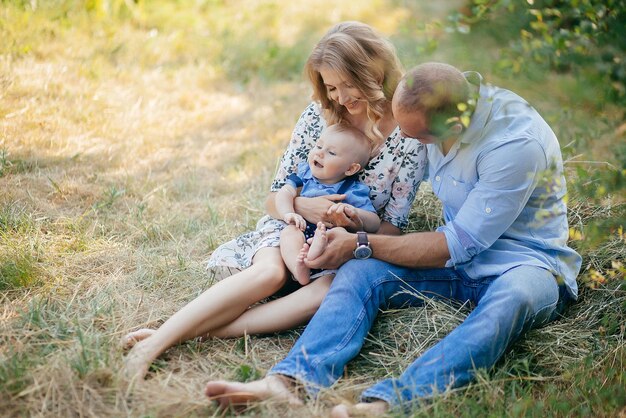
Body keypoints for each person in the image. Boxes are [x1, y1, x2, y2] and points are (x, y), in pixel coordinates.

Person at [203, 62, 583, 417]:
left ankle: (391, 402)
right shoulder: (436, 100)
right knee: (358, 273)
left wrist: (360, 243)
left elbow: (454, 244)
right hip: (458, 265)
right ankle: (290, 380)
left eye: (417, 136)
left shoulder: (515, 145)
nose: (403, 138)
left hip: (527, 263)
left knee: (512, 298)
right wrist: (338, 216)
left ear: (453, 125)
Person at [121, 21, 427, 380]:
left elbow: (393, 227)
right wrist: (300, 208)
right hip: (290, 227)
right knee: (269, 272)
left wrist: (352, 238)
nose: (341, 98)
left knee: (325, 292)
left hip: (342, 247)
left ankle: (181, 335)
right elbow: (275, 196)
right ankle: (154, 345)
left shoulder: (408, 135)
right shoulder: (319, 115)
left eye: (348, 84)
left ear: (374, 70)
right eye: (331, 87)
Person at [277, 123, 380, 285]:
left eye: (331, 152)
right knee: (289, 233)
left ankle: (315, 253)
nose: (319, 153)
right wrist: (288, 213)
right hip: (301, 229)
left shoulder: (352, 190)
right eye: (319, 145)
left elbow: (374, 222)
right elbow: (284, 193)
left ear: (351, 168)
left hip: (330, 238)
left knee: (336, 234)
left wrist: (354, 212)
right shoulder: (304, 175)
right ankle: (299, 269)